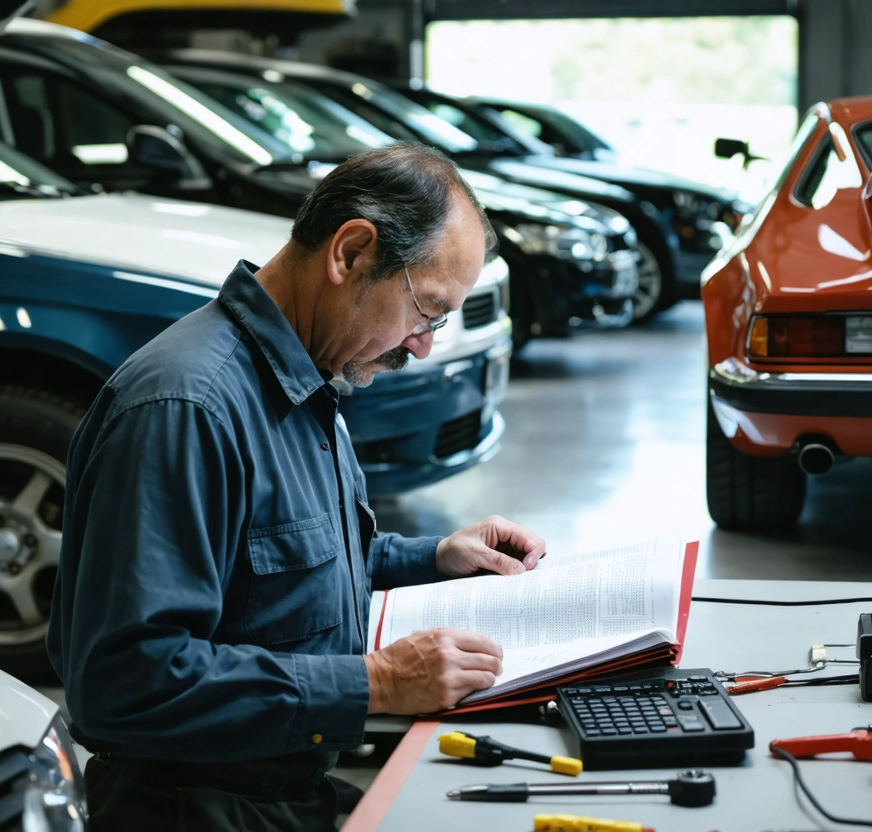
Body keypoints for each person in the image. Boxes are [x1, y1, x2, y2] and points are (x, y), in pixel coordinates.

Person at [46, 143, 546, 831]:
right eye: (426, 310)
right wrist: (378, 683)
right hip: (191, 810)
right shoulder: (186, 409)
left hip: (283, 788)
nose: (423, 346)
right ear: (351, 253)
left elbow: (273, 572)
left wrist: (433, 558)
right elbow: (127, 684)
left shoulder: (307, 380)